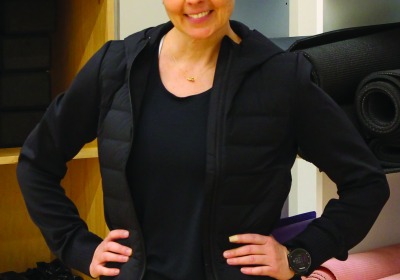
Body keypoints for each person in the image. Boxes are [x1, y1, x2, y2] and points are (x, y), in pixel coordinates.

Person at [17, 0, 390, 279]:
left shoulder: (281, 78)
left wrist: (298, 256)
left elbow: (366, 184)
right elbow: (37, 162)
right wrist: (78, 247)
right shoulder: (116, 67)